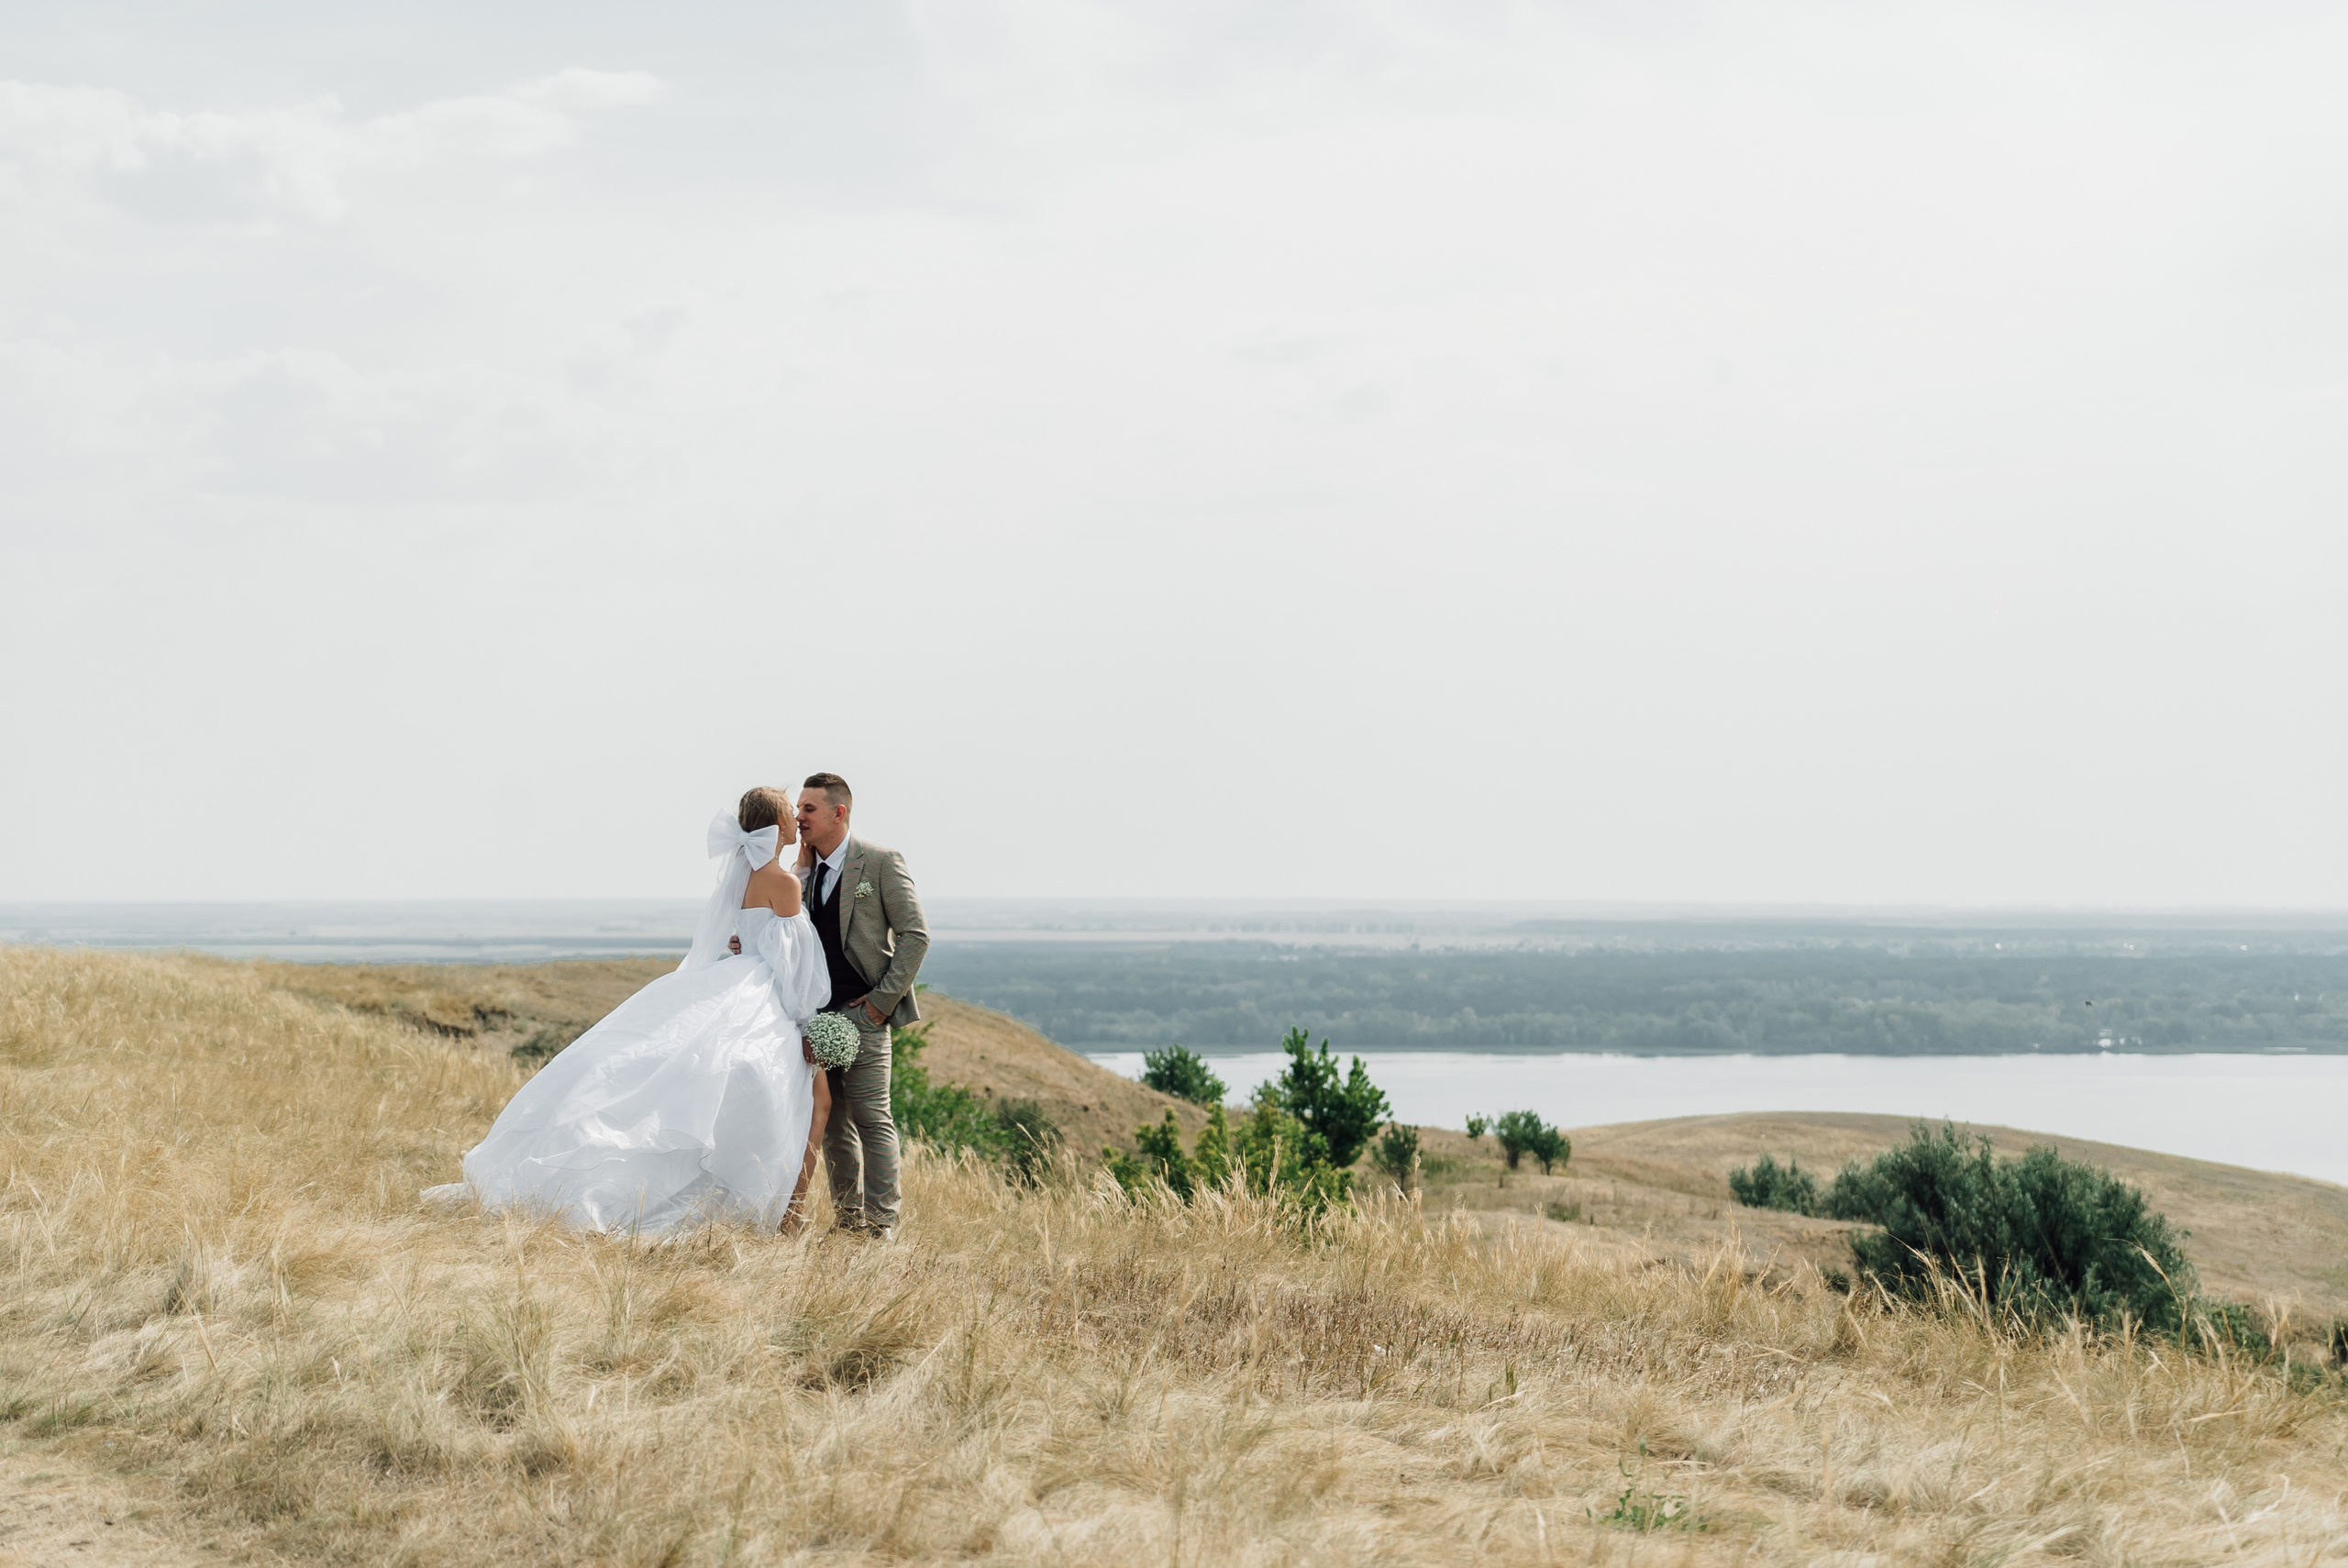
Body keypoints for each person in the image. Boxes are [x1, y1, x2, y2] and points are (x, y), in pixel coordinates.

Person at [425, 788, 832, 1235]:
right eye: (791, 812)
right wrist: (806, 1021)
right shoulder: (784, 883)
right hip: (761, 994)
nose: (797, 818)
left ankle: (774, 1211)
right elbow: (792, 965)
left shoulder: (746, 878)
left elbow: (756, 936)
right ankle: (783, 1214)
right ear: (777, 826)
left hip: (738, 978)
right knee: (796, 1100)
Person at [789, 770, 929, 1239]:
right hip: (816, 1019)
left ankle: (881, 1226)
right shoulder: (804, 872)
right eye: (799, 808)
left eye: (808, 808)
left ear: (838, 813)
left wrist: (879, 1005)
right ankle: (848, 1223)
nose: (799, 816)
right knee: (832, 1126)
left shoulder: (881, 862)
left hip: (865, 1015)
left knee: (872, 1119)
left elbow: (915, 935)